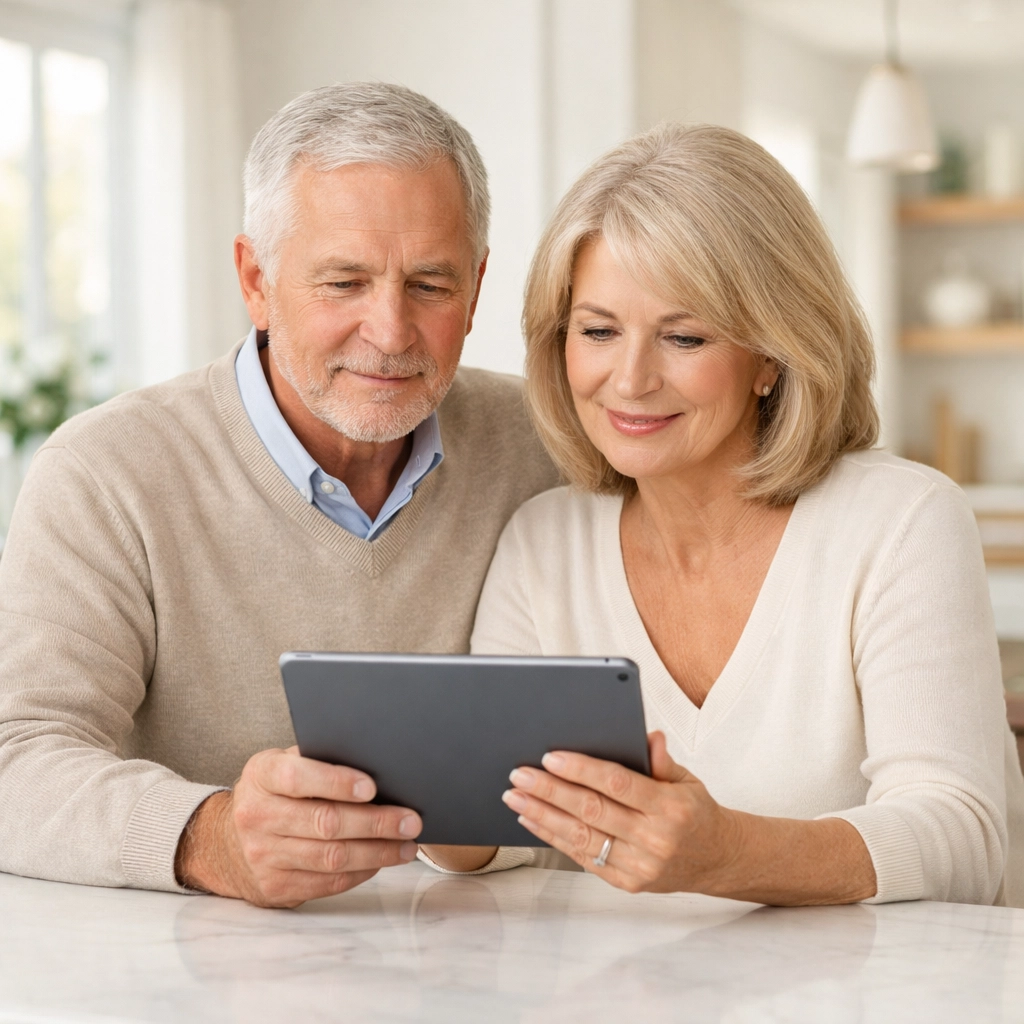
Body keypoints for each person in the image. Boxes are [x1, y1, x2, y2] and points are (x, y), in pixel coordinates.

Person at [436, 123, 1024, 906]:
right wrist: (431, 810)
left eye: (684, 336)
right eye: (599, 331)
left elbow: (963, 836)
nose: (631, 379)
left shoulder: (901, 521)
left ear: (771, 356)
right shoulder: (545, 542)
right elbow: (508, 846)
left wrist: (727, 855)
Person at [0, 83, 557, 908]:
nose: (391, 330)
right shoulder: (107, 472)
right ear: (256, 280)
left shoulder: (550, 447)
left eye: (430, 286)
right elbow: (16, 758)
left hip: (499, 956)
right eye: (344, 282)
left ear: (476, 289)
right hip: (195, 971)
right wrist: (207, 835)